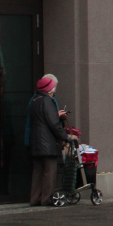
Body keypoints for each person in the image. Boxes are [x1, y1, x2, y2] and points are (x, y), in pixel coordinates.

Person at [27, 74, 76, 206]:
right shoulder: (47, 101)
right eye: (53, 88)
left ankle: (35, 198)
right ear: (48, 89)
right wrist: (65, 137)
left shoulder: (34, 100)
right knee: (49, 172)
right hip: (47, 143)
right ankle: (46, 199)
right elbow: (53, 123)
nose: (54, 90)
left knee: (38, 172)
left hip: (36, 142)